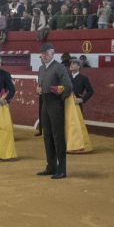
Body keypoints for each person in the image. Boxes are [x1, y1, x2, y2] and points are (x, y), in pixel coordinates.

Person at [36, 42, 73, 179]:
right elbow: (40, 85)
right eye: (43, 54)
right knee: (47, 135)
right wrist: (38, 89)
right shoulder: (41, 68)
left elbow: (68, 87)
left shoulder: (59, 67)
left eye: (47, 53)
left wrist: (59, 99)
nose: (44, 55)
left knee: (58, 136)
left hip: (55, 103)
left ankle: (62, 169)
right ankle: (51, 166)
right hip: (44, 102)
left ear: (53, 53)